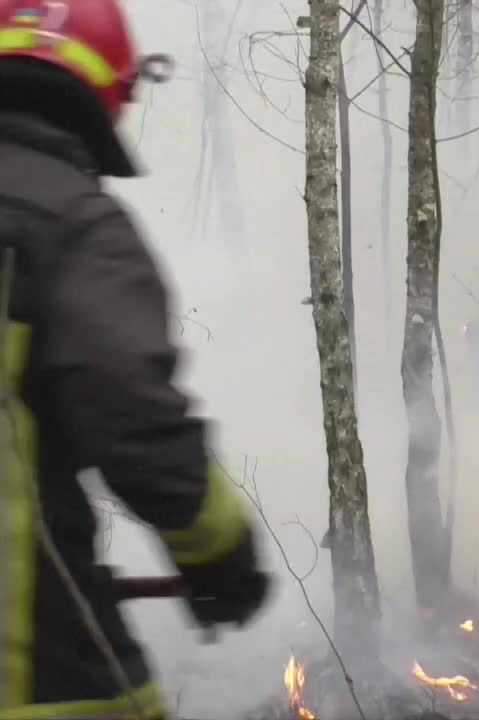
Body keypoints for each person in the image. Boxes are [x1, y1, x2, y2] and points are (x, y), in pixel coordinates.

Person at [0, 1, 269, 718]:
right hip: (31, 675)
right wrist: (220, 554)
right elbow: (131, 409)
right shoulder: (68, 221)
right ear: (110, 86)